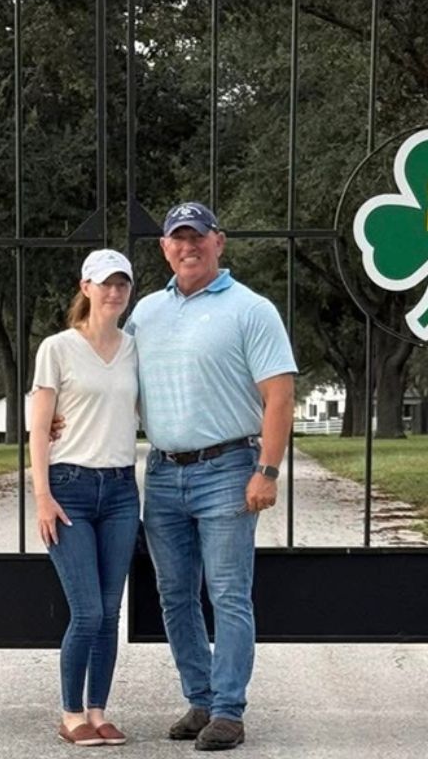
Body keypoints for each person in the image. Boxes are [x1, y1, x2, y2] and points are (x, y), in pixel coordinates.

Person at [127, 201, 297, 751]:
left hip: (227, 469)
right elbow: (112, 376)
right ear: (164, 248)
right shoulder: (145, 312)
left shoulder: (251, 309)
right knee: (174, 595)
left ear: (218, 242)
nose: (188, 246)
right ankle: (199, 699)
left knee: (227, 593)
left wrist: (267, 471)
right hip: (163, 471)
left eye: (197, 236)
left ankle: (228, 710)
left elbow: (279, 396)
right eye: (177, 238)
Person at [30, 249, 140, 748]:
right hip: (69, 489)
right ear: (86, 287)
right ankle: (71, 712)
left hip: (120, 491)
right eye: (105, 283)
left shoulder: (135, 349)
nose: (114, 291)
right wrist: (42, 496)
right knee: (88, 612)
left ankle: (98, 711)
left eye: (122, 284)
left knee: (111, 612)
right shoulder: (57, 348)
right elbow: (39, 427)